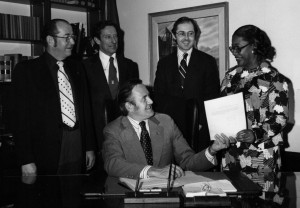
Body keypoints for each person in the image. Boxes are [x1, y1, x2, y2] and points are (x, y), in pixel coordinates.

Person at [11, 19, 96, 176]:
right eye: (67, 37)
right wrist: (26, 159)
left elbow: (85, 109)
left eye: (73, 37)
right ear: (50, 40)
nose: (72, 41)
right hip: (44, 150)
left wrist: (89, 146)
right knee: (49, 198)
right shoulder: (26, 71)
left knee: (73, 195)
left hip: (76, 142)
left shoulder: (77, 68)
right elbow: (19, 119)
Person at [102, 79, 232, 179]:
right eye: (144, 99)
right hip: (132, 194)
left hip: (167, 193)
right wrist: (152, 171)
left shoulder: (165, 122)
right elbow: (112, 163)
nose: (151, 101)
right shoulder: (113, 130)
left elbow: (187, 161)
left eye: (149, 96)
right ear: (129, 106)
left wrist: (212, 150)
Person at [219, 25, 289, 172]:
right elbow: (221, 108)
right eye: (233, 48)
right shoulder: (230, 77)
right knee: (231, 194)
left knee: (260, 195)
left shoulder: (275, 80)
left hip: (262, 159)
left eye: (238, 48)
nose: (234, 53)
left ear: (253, 46)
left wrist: (256, 134)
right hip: (231, 156)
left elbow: (280, 118)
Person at [154, 16, 220, 152]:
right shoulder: (164, 63)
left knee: (197, 170)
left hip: (199, 128)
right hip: (171, 129)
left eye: (190, 33)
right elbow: (159, 96)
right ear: (174, 36)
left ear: (195, 35)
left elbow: (212, 96)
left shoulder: (208, 62)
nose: (186, 38)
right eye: (181, 33)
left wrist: (200, 122)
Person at [83, 20, 139, 153]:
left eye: (115, 36)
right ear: (97, 40)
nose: (114, 41)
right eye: (108, 37)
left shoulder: (130, 66)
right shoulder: (85, 67)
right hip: (97, 136)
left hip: (126, 135)